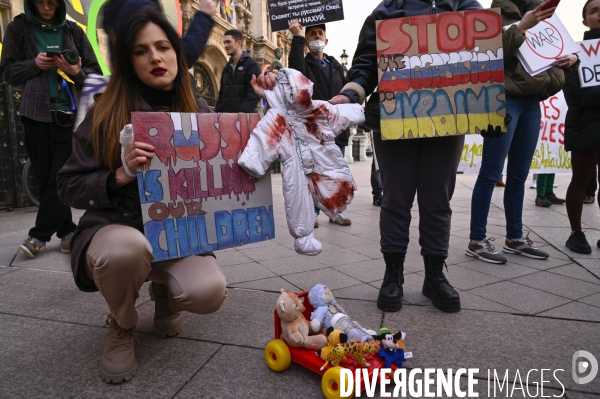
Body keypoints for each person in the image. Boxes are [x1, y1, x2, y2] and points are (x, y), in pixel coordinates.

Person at [56, 10, 227, 383]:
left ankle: (164, 289)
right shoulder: (105, 111)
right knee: (126, 250)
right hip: (117, 230)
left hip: (177, 237)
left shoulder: (200, 113)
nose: (155, 57)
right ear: (128, 61)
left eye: (163, 47)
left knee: (209, 291)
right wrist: (119, 175)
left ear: (177, 55)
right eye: (141, 50)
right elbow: (67, 185)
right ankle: (122, 321)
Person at [329, 0, 487, 313]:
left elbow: (486, 56)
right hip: (394, 115)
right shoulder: (386, 11)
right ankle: (393, 274)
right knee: (395, 198)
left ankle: (434, 275)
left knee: (437, 199)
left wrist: (490, 106)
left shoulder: (465, 7)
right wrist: (350, 93)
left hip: (448, 116)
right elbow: (364, 65)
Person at [465, 0, 577, 265]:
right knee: (491, 172)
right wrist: (521, 27)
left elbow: (563, 48)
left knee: (519, 175)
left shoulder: (545, 11)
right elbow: (486, 57)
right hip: (504, 100)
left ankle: (514, 238)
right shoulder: (492, 15)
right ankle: (476, 240)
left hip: (533, 101)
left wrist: (573, 58)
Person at [0, 0, 101, 258]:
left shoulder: (73, 30)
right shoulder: (18, 28)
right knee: (46, 177)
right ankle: (67, 230)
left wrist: (76, 71)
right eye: (41, 1)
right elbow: (8, 73)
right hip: (35, 113)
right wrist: (35, 64)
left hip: (70, 113)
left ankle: (39, 234)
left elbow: (96, 73)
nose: (47, 6)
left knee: (61, 175)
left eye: (52, 1)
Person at [288, 20, 352, 227]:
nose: (317, 37)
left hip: (335, 128)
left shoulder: (335, 66)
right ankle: (313, 212)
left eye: (320, 33)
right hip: (313, 130)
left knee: (338, 175)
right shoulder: (304, 64)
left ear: (326, 39)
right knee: (315, 174)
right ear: (307, 41)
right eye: (312, 34)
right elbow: (295, 73)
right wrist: (297, 38)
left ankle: (336, 211)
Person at [563, 0, 600, 254]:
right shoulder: (574, 53)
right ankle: (576, 233)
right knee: (580, 181)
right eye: (594, 10)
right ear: (585, 21)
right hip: (585, 127)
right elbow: (576, 95)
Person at [102, 0, 216, 68]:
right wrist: (204, 17)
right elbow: (182, 56)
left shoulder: (119, 7)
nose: (156, 57)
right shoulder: (140, 5)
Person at [214, 29, 261, 113]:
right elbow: (221, 95)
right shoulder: (226, 68)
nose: (225, 45)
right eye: (224, 42)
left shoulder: (252, 65)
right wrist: (217, 114)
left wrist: (242, 112)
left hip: (245, 119)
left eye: (228, 42)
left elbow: (254, 93)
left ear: (239, 43)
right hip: (226, 119)